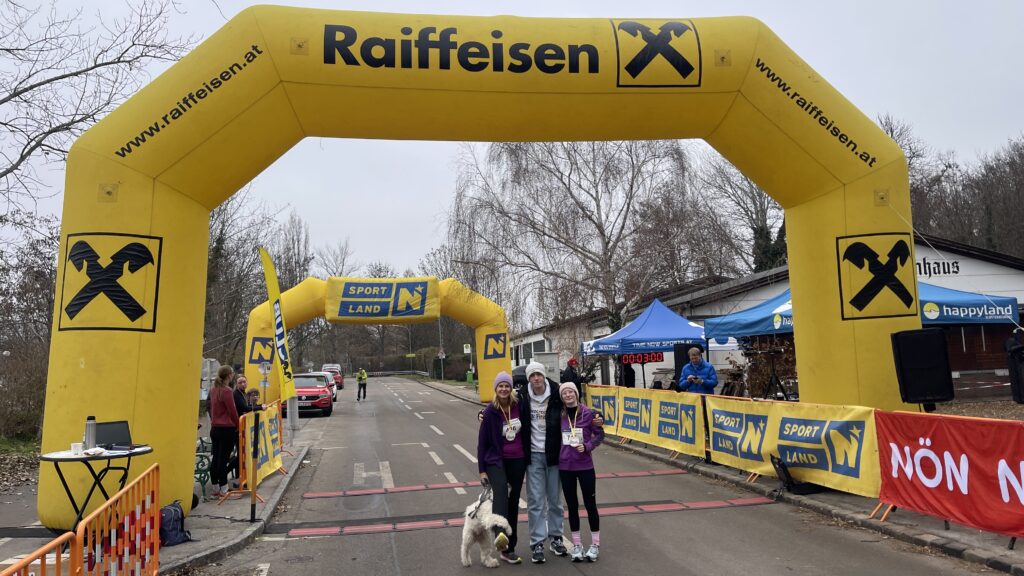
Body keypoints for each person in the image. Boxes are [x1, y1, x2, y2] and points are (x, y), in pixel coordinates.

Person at [520, 361, 569, 564]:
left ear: (543, 375)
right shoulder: (522, 396)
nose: (536, 379)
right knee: (535, 501)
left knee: (555, 500)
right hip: (533, 455)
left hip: (553, 454)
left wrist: (596, 417)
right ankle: (537, 542)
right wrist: (484, 414)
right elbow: (502, 408)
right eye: (532, 376)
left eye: (538, 374)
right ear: (528, 378)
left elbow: (576, 407)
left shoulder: (557, 393)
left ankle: (556, 537)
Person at [477, 371, 528, 564]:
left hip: (518, 459)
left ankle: (509, 548)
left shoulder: (519, 406)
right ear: (496, 389)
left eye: (507, 385)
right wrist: (482, 469)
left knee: (513, 502)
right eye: (501, 386)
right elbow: (482, 443)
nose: (504, 389)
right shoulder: (490, 412)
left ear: (511, 388)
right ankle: (500, 534)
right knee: (500, 493)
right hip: (495, 461)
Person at [558, 382, 605, 562]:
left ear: (576, 394)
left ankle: (595, 544)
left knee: (590, 504)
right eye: (565, 393)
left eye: (571, 392)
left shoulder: (589, 413)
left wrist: (587, 446)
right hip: (566, 467)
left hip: (585, 466)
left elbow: (600, 435)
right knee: (572, 506)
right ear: (562, 397)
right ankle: (577, 545)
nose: (568, 395)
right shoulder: (560, 415)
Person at [209, 365, 239, 498]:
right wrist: (238, 424)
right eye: (232, 373)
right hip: (227, 428)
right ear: (229, 375)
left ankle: (215, 487)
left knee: (215, 458)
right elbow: (232, 411)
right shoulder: (227, 391)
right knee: (223, 460)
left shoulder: (213, 389)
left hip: (215, 428)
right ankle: (224, 489)